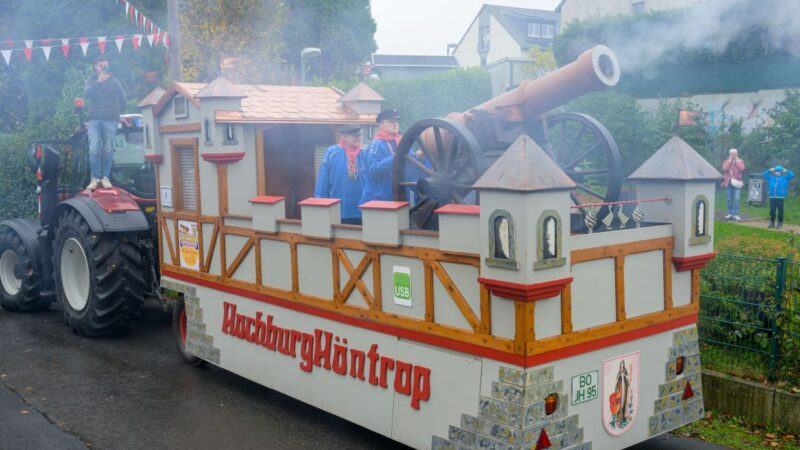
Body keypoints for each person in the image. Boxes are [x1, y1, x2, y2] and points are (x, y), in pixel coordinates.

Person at [83, 56, 127, 190]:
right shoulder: (91, 81)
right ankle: (95, 178)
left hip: (110, 120)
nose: (103, 68)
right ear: (95, 67)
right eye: (101, 65)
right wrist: (98, 82)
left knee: (108, 149)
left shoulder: (115, 82)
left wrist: (116, 115)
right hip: (94, 120)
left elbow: (123, 99)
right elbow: (86, 94)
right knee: (94, 149)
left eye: (105, 65)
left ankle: (105, 177)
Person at [314, 125, 366, 225]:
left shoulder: (365, 154)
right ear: (344, 137)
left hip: (363, 211)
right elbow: (323, 182)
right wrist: (320, 205)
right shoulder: (332, 153)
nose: (358, 138)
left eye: (360, 135)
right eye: (355, 136)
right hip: (339, 211)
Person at [361, 109, 402, 203]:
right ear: (381, 125)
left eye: (396, 121)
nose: (395, 124)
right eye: (391, 122)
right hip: (379, 200)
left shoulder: (400, 142)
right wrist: (395, 158)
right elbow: (374, 170)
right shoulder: (375, 145)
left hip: (399, 197)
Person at [721, 148, 745, 221]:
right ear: (729, 154)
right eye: (732, 154)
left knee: (736, 198)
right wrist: (730, 162)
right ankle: (730, 213)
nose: (733, 155)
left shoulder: (740, 161)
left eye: (735, 154)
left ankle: (736, 214)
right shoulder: (726, 161)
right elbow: (725, 169)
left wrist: (736, 162)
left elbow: (742, 169)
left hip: (737, 183)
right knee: (729, 199)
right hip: (728, 182)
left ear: (737, 154)